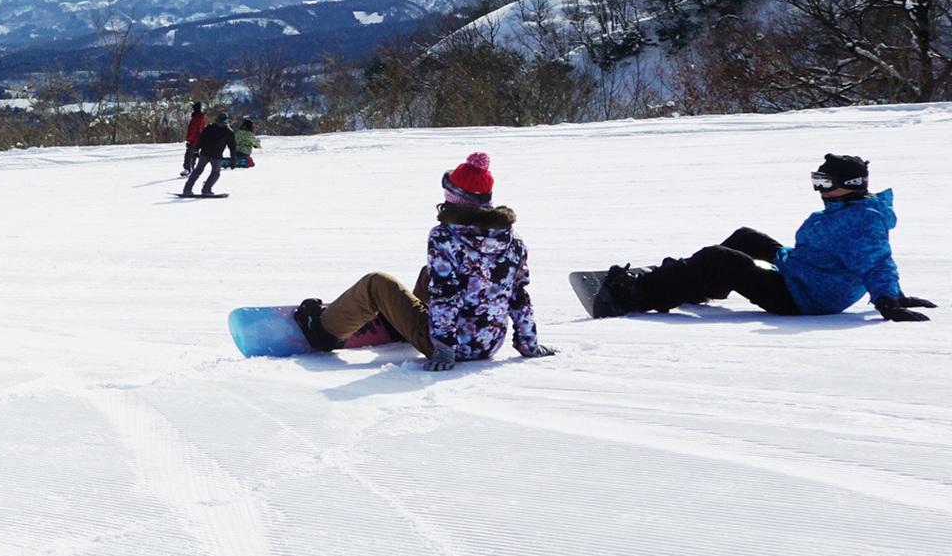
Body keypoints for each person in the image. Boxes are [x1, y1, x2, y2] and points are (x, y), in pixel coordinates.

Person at [292, 152, 557, 372]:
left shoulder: (444, 237)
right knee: (429, 274)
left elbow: (446, 296)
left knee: (376, 283)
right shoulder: (513, 241)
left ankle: (322, 330)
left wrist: (442, 349)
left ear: (455, 198)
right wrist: (528, 345)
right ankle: (400, 324)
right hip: (488, 344)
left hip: (451, 346)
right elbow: (518, 296)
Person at [587, 154, 933, 321]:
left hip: (806, 298)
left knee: (719, 258)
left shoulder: (862, 221)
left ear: (852, 186)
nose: (818, 190)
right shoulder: (845, 211)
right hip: (804, 273)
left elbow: (877, 261)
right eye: (816, 181)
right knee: (745, 238)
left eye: (824, 183)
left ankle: (635, 295)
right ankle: (693, 282)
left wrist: (889, 301)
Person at [181, 112, 234, 197]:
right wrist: (233, 159)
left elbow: (200, 140)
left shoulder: (209, 127)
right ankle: (206, 189)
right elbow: (232, 146)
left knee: (197, 171)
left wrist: (196, 150)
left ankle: (187, 189)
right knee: (215, 173)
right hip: (216, 156)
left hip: (205, 153)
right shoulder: (228, 131)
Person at [181, 103, 207, 176]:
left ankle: (188, 169)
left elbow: (193, 131)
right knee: (194, 155)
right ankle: (192, 168)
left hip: (194, 141)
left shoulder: (195, 119)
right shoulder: (202, 118)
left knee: (188, 155)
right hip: (200, 140)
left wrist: (189, 140)